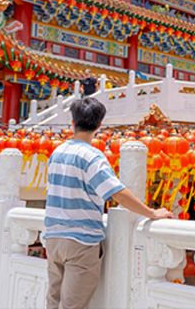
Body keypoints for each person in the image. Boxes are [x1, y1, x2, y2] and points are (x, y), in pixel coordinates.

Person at [45, 97, 172, 309]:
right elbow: (117, 193)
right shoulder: (92, 157)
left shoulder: (57, 153)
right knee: (72, 306)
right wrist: (151, 213)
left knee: (52, 302)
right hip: (80, 242)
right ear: (99, 126)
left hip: (53, 238)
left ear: (73, 122)